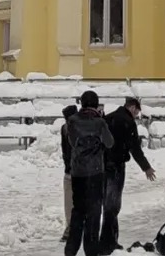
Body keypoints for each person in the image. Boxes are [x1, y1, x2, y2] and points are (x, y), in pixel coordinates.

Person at [100, 98, 156, 255]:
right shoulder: (127, 122)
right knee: (113, 205)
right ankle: (107, 243)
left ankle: (110, 240)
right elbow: (134, 147)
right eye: (137, 112)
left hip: (103, 166)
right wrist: (146, 167)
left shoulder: (108, 117)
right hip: (116, 166)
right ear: (132, 108)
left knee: (107, 204)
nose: (137, 115)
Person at [64, 90, 114, 256]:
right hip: (95, 173)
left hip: (78, 173)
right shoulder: (99, 122)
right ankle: (91, 250)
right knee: (93, 214)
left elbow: (71, 141)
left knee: (78, 211)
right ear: (96, 104)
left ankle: (71, 249)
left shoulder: (72, 121)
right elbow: (109, 143)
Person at [60, 103, 79, 241]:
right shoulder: (65, 129)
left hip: (76, 170)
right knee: (71, 202)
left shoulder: (68, 129)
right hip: (74, 170)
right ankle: (71, 227)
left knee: (71, 202)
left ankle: (72, 227)